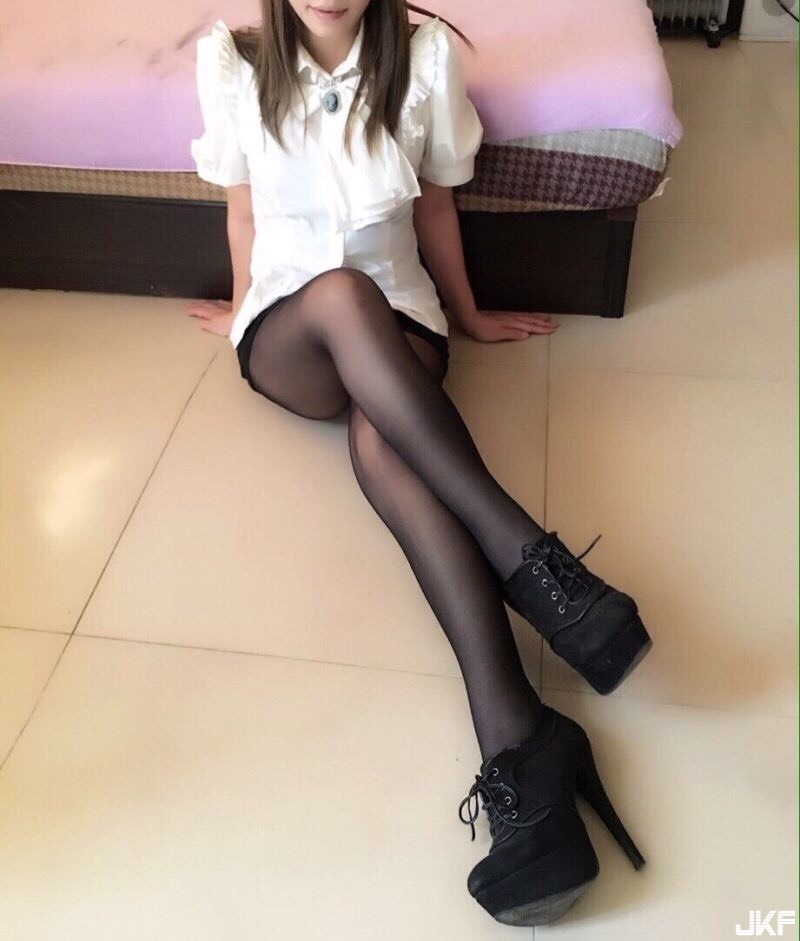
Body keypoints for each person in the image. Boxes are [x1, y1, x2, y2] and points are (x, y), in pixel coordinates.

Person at [187, 1, 651, 926]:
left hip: (401, 323)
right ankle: (539, 567)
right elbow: (241, 204)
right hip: (290, 329)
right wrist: (241, 306)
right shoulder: (230, 62)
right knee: (338, 294)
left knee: (380, 435)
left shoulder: (426, 56)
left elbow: (436, 203)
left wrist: (468, 315)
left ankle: (521, 741)